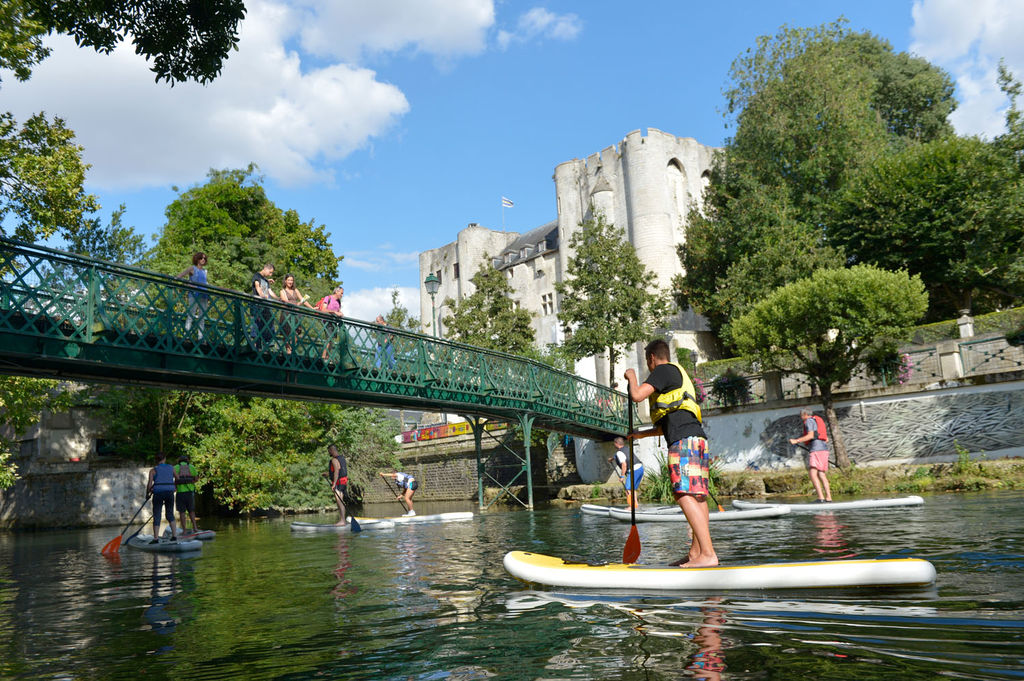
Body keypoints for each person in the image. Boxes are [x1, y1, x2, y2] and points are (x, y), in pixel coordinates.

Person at [624, 339, 717, 568]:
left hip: (683, 441)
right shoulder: (676, 376)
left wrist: (631, 376)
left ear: (652, 358)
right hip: (696, 439)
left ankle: (707, 554)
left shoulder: (663, 370)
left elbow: (637, 395)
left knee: (683, 493)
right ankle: (697, 553)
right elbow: (663, 426)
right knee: (698, 495)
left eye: (648, 362)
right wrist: (639, 435)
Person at [790, 408, 833, 503]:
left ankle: (821, 498)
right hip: (824, 449)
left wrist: (796, 441)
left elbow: (810, 436)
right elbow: (826, 439)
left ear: (805, 414)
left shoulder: (809, 421)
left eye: (801, 415)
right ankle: (828, 498)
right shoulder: (816, 420)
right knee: (821, 474)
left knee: (812, 473)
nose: (801, 417)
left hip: (816, 450)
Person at [146, 452, 179, 543]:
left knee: (157, 515)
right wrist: (175, 487)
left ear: (156, 460)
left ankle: (156, 538)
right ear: (164, 459)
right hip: (169, 493)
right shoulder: (171, 468)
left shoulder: (153, 470)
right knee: (170, 514)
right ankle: (174, 536)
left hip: (158, 494)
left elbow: (149, 485)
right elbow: (177, 478)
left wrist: (147, 494)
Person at [177, 252, 210, 341]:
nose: (203, 260)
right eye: (201, 258)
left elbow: (205, 284)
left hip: (203, 295)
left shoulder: (205, 271)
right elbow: (180, 276)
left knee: (202, 317)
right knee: (191, 314)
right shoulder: (192, 268)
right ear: (197, 259)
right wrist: (188, 284)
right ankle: (186, 335)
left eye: (204, 258)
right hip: (194, 295)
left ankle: (201, 338)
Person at [279, 274, 314, 354]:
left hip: (296, 313)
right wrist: (296, 304)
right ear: (285, 281)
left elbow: (303, 300)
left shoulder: (296, 290)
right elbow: (285, 300)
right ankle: (288, 350)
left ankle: (291, 349)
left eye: (292, 280)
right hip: (287, 313)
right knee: (286, 333)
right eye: (289, 280)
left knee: (296, 333)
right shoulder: (282, 291)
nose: (290, 282)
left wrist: (311, 308)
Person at [609, 436, 643, 510]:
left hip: (634, 470)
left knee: (628, 489)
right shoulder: (627, 448)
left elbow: (624, 464)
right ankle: (635, 505)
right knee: (633, 489)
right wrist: (612, 459)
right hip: (640, 468)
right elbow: (621, 456)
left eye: (614, 444)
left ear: (616, 443)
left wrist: (622, 476)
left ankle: (631, 507)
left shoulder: (619, 452)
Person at [316, 286, 345, 362]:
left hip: (334, 322)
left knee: (332, 340)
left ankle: (328, 357)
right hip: (327, 321)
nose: (342, 295)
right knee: (329, 339)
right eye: (341, 293)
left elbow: (338, 310)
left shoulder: (338, 301)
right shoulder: (328, 298)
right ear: (336, 292)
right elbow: (323, 309)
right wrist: (334, 312)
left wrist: (340, 313)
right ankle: (323, 357)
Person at [250, 263, 276, 350]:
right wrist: (262, 295)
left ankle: (266, 343)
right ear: (265, 269)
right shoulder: (257, 276)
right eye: (270, 272)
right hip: (258, 304)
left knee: (268, 323)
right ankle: (255, 346)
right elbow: (258, 287)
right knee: (257, 323)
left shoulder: (265, 280)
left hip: (266, 305)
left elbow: (269, 291)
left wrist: (278, 298)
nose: (270, 274)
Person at [323, 445, 349, 525]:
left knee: (339, 501)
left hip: (338, 483)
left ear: (331, 450)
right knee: (340, 501)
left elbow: (337, 471)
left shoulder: (334, 460)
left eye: (329, 451)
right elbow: (338, 470)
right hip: (343, 482)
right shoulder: (342, 458)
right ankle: (343, 520)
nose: (328, 453)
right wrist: (328, 474)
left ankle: (342, 521)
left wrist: (333, 484)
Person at [174, 454, 199, 533]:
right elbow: (196, 479)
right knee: (191, 511)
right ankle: (195, 528)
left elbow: (174, 479)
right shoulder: (192, 467)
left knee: (182, 512)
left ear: (179, 461)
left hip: (180, 493)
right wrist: (191, 482)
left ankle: (184, 530)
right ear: (187, 460)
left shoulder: (175, 467)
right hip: (190, 492)